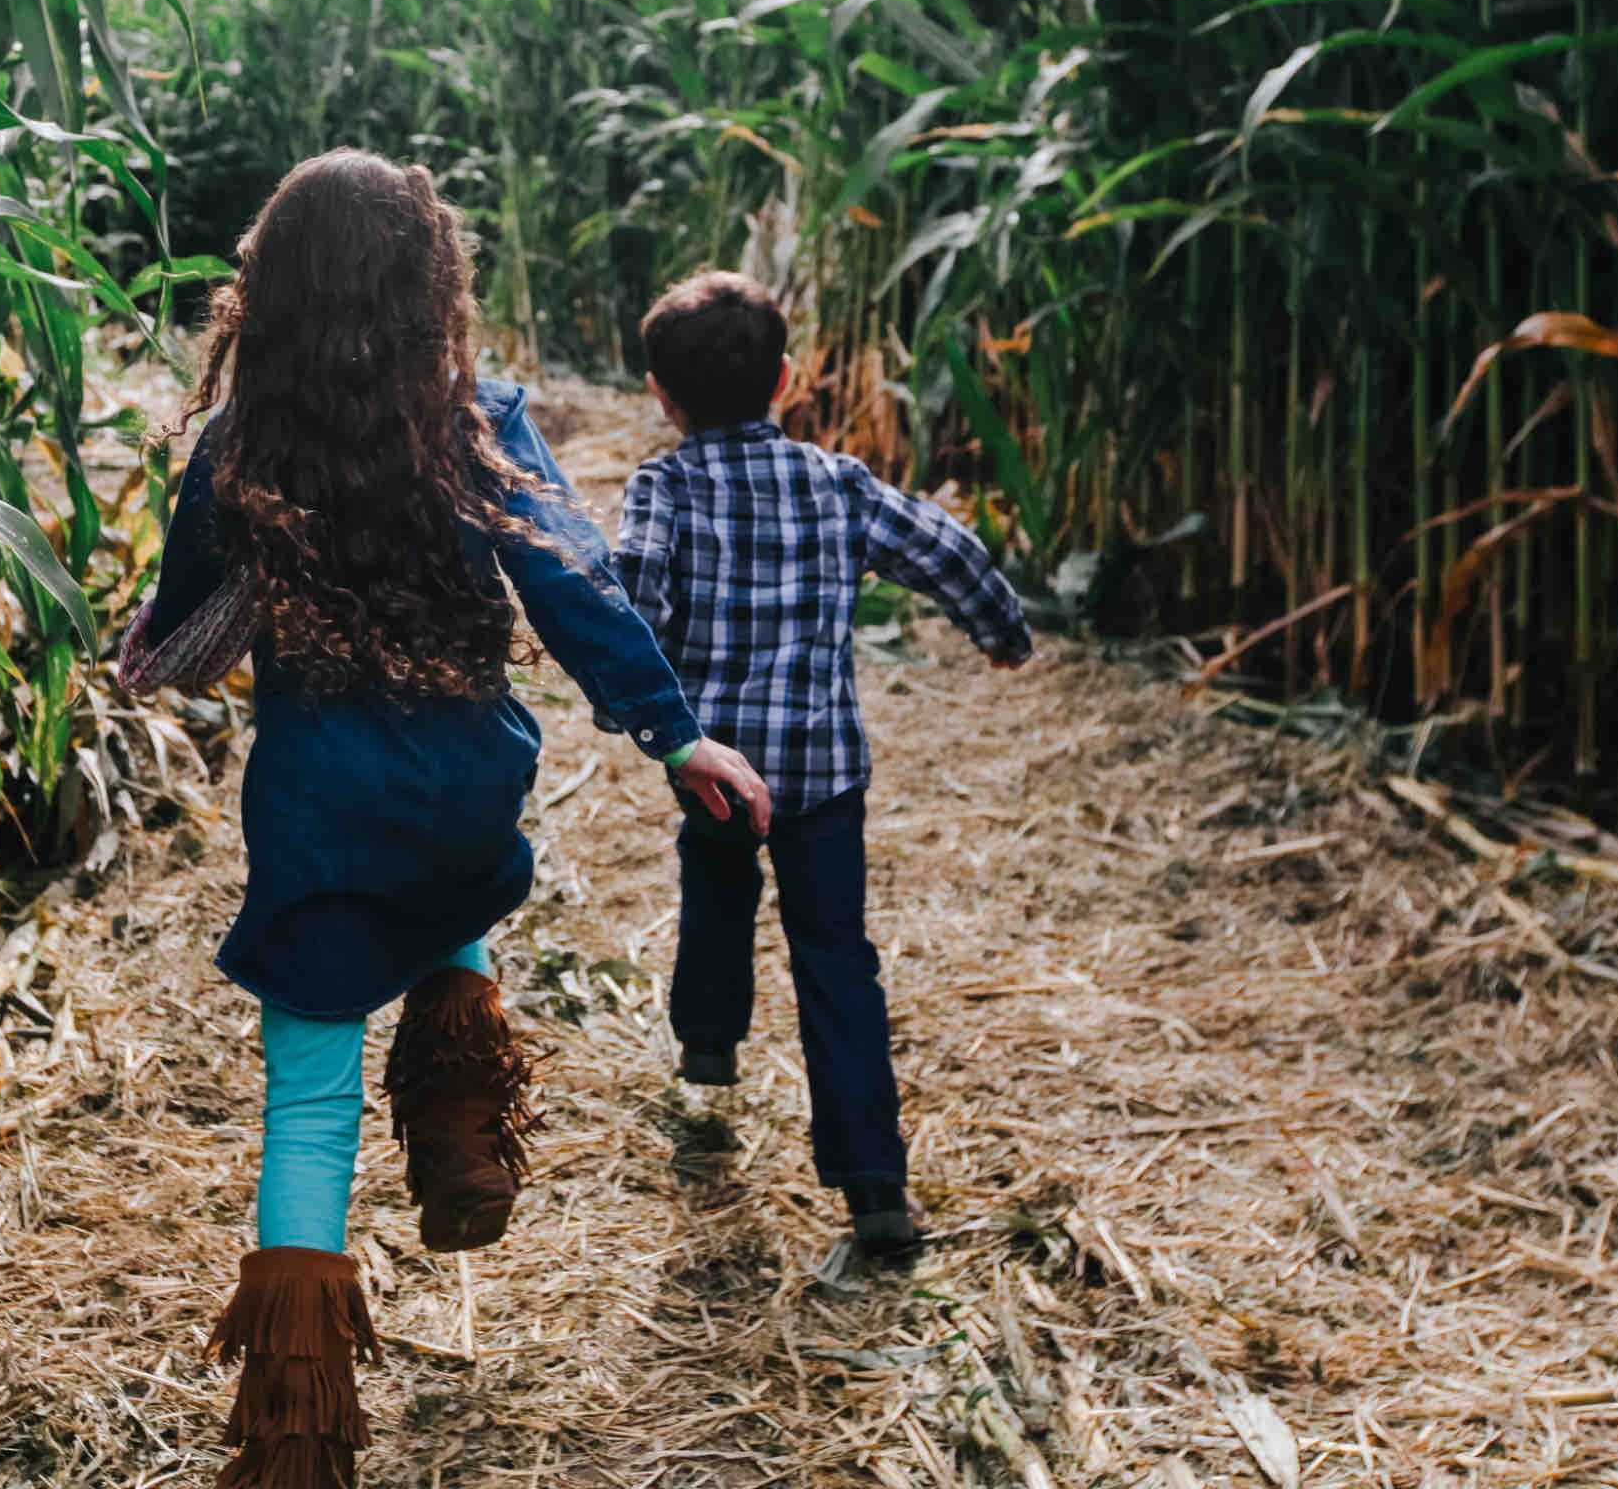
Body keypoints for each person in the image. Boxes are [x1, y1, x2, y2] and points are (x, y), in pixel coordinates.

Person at [116, 153, 772, 1488]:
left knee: (309, 1101)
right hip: (469, 781)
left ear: (272, 292)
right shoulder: (483, 420)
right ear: (436, 285)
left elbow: (183, 616)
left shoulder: (235, 446)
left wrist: (149, 639)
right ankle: (464, 1127)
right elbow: (574, 584)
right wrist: (673, 729)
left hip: (316, 807)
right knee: (455, 896)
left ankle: (296, 1441)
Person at [611, 271, 1032, 1263]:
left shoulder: (660, 487)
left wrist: (635, 709)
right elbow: (949, 549)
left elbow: (629, 598)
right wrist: (1002, 631)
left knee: (714, 895)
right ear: (789, 379)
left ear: (659, 395)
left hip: (714, 768)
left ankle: (707, 1062)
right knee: (838, 959)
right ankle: (876, 1192)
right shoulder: (837, 482)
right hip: (825, 774)